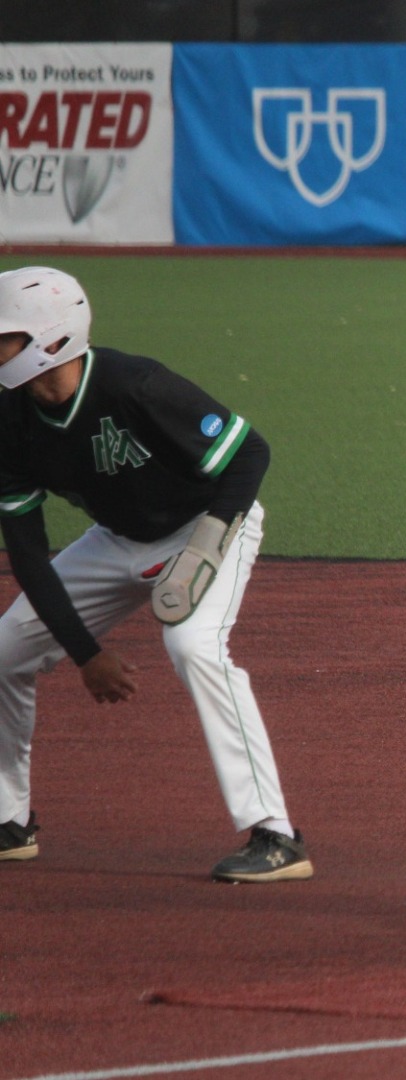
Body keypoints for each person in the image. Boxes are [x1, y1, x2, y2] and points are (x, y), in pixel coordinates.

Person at [0, 266, 311, 883]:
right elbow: (29, 555)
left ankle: (276, 835)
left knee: (193, 645)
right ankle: (9, 823)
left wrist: (206, 545)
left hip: (209, 522)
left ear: (51, 338)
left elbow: (250, 452)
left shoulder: (133, 384)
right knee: (5, 649)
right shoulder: (11, 419)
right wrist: (86, 655)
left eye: (5, 336)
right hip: (115, 540)